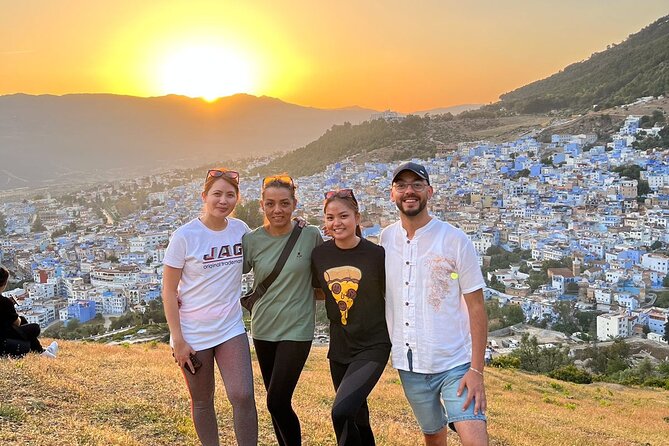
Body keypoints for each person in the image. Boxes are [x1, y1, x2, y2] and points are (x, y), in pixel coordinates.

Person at [379, 162, 489, 446]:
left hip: (456, 364)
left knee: (475, 440)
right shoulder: (387, 238)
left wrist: (476, 371)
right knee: (433, 434)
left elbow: (477, 306)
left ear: (429, 191)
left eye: (417, 185)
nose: (409, 191)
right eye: (401, 186)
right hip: (410, 364)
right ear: (392, 194)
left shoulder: (454, 239)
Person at [162, 168, 258, 446]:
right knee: (203, 400)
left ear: (237, 199)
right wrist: (178, 339)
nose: (223, 200)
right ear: (204, 196)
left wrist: (298, 227)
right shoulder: (185, 236)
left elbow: (267, 248)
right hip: (193, 332)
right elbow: (168, 290)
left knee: (243, 395)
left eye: (230, 195)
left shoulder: (241, 230)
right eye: (217, 194)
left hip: (230, 328)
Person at [242, 174, 323, 446]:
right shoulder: (251, 241)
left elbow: (330, 268)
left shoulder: (310, 235)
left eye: (284, 203)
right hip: (263, 328)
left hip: (297, 328)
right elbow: (223, 275)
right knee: (275, 403)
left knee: (277, 400)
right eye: (271, 204)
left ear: (294, 204)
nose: (278, 210)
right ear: (261, 205)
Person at [311, 188, 390, 446]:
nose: (337, 223)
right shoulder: (320, 254)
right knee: (357, 416)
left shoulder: (377, 254)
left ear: (357, 217)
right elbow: (320, 291)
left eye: (343, 216)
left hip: (373, 346)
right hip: (340, 347)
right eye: (330, 218)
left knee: (341, 411)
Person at [0, 265, 58, 358]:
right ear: (3, 283)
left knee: (23, 320)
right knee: (34, 328)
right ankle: (45, 354)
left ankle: (43, 351)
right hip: (4, 340)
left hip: (3, 334)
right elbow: (17, 323)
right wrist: (11, 306)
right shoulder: (4, 302)